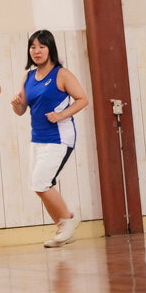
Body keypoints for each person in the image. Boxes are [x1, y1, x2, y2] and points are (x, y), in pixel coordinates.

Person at [10, 30, 89, 247]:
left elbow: (83, 99)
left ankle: (69, 222)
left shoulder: (61, 74)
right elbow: (22, 109)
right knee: (39, 185)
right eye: (33, 47)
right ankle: (64, 227)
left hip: (60, 138)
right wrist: (17, 104)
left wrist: (61, 115)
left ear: (50, 49)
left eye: (41, 47)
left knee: (41, 183)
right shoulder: (27, 77)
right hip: (37, 140)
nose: (36, 51)